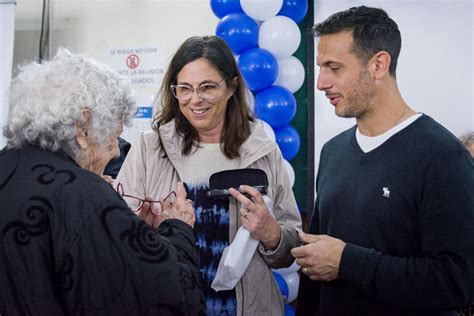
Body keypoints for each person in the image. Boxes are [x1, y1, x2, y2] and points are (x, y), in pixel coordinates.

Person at [291, 6, 474, 315]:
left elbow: (457, 281)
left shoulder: (443, 158)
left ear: (378, 64)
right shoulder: (333, 152)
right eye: (320, 67)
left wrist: (348, 263)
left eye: (334, 67)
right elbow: (315, 263)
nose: (321, 82)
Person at [0, 48, 204, 315]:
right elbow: (161, 295)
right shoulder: (83, 195)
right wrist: (176, 228)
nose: (116, 151)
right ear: (84, 127)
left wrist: (126, 228)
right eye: (114, 136)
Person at [116, 35, 302, 315]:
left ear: (231, 87)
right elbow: (115, 237)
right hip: (169, 303)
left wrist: (271, 234)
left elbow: (293, 245)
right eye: (185, 88)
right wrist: (142, 225)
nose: (195, 99)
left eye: (207, 87)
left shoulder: (262, 150)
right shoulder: (150, 147)